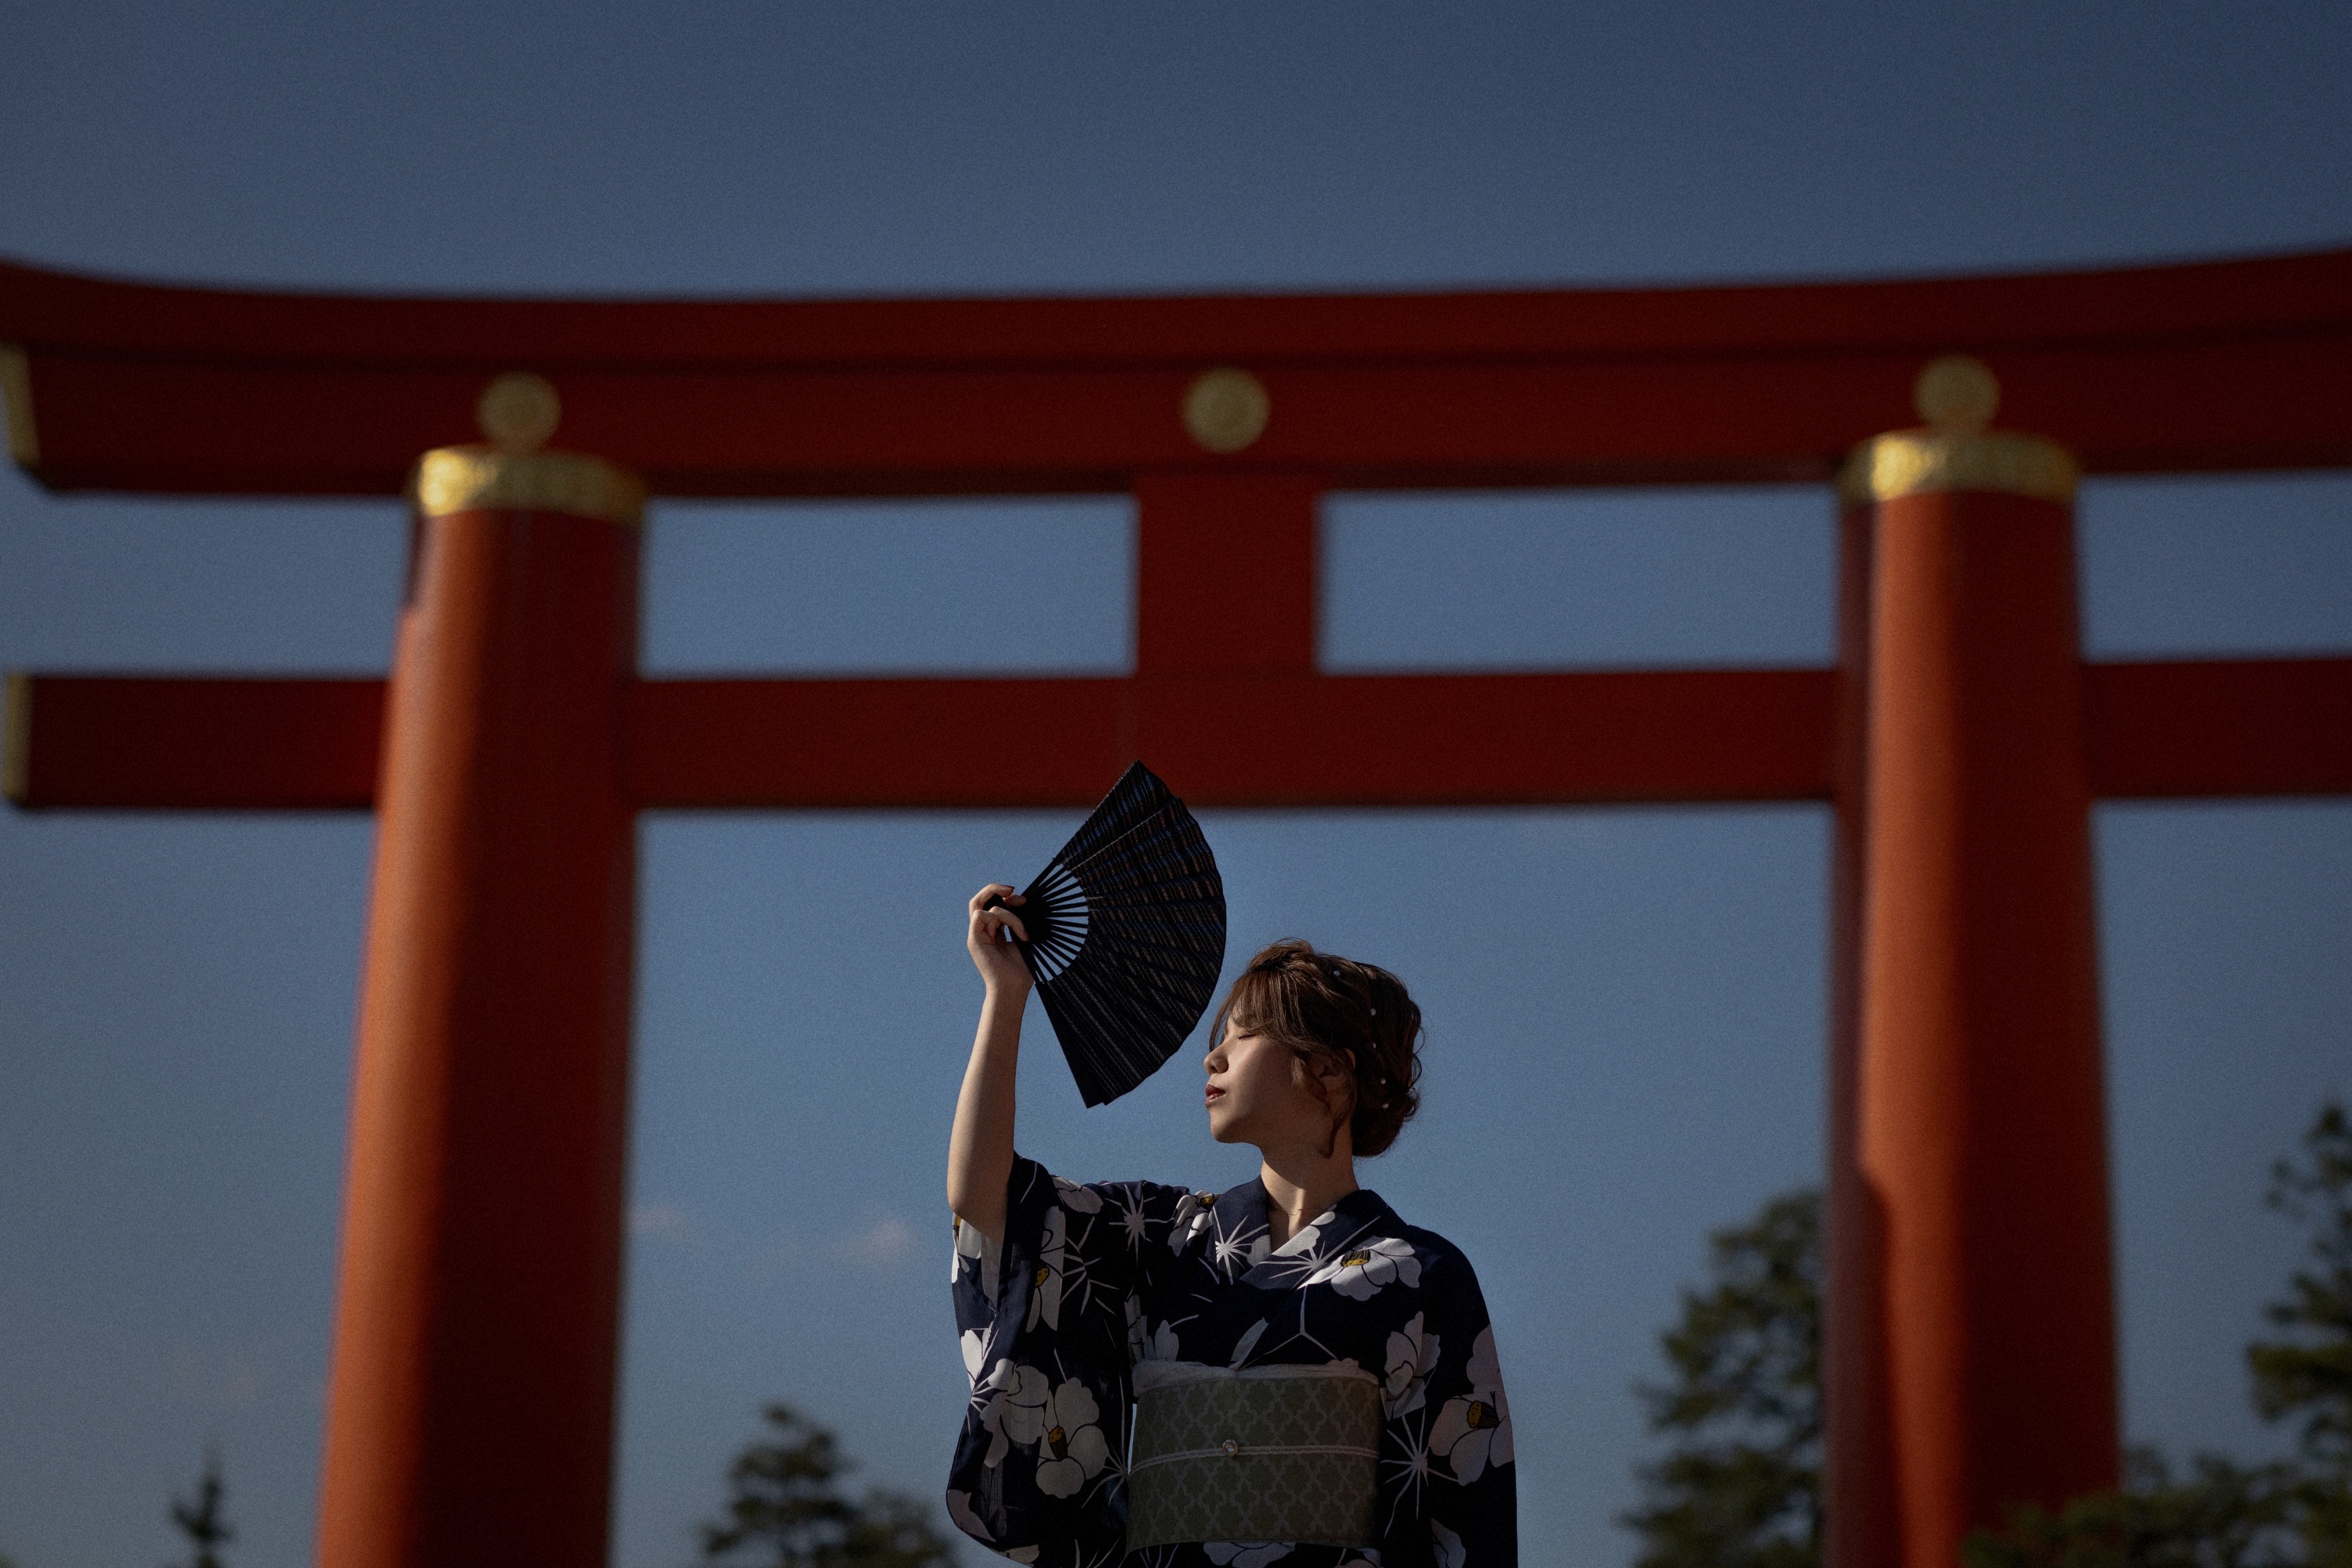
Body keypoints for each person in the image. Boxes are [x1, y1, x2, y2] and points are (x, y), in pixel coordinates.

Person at [946, 884, 1517, 1568]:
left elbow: (1468, 1518)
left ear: (1329, 1070)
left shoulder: (1422, 1274)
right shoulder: (1166, 1237)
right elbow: (986, 1200)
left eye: (1245, 1036)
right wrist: (1006, 995)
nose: (1213, 1057)